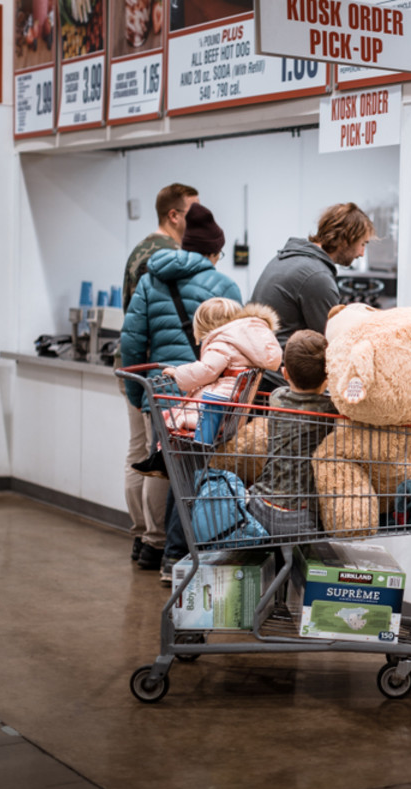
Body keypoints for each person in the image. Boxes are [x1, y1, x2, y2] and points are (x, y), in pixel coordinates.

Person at [120, 202, 242, 572]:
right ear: (214, 251)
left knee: (156, 465)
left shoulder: (150, 278)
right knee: (186, 473)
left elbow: (131, 340)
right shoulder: (224, 285)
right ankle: (174, 553)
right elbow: (233, 343)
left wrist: (139, 393)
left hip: (160, 388)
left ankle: (149, 546)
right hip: (203, 396)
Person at [120, 183, 199, 567]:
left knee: (137, 454)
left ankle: (139, 534)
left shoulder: (140, 250)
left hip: (133, 369)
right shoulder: (169, 257)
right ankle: (154, 541)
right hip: (158, 374)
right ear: (174, 215)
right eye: (193, 213)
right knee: (159, 459)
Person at [250, 203, 374, 389]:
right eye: (362, 244)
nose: (361, 254)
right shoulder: (316, 276)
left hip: (261, 374)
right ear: (346, 238)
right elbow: (333, 342)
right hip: (282, 383)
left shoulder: (289, 258)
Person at [247, 330, 338, 534]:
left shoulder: (276, 398)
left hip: (261, 505)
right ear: (328, 376)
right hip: (300, 515)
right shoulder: (331, 410)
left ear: (285, 373)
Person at [159, 299, 282, 431]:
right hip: (229, 409)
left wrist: (177, 373)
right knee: (175, 415)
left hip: (215, 413)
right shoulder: (241, 344)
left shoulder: (221, 344)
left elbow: (205, 370)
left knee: (173, 420)